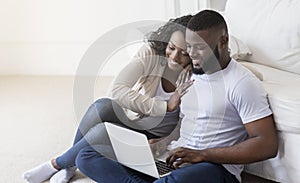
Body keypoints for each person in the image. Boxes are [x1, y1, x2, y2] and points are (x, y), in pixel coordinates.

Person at [74, 10, 278, 183]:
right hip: (174, 160)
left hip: (214, 167)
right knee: (86, 156)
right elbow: (184, 122)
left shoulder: (242, 84)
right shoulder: (188, 75)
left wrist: (202, 155)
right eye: (189, 47)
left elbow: (267, 145)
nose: (192, 54)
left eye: (200, 48)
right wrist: (161, 144)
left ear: (223, 41)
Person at [22, 15, 193, 183]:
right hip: (137, 124)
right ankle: (67, 166)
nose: (174, 56)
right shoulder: (151, 53)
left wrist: (162, 144)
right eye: (171, 47)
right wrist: (165, 106)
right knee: (102, 106)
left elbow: (188, 127)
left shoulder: (195, 76)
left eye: (183, 53)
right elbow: (117, 90)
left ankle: (58, 164)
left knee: (91, 148)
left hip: (154, 142)